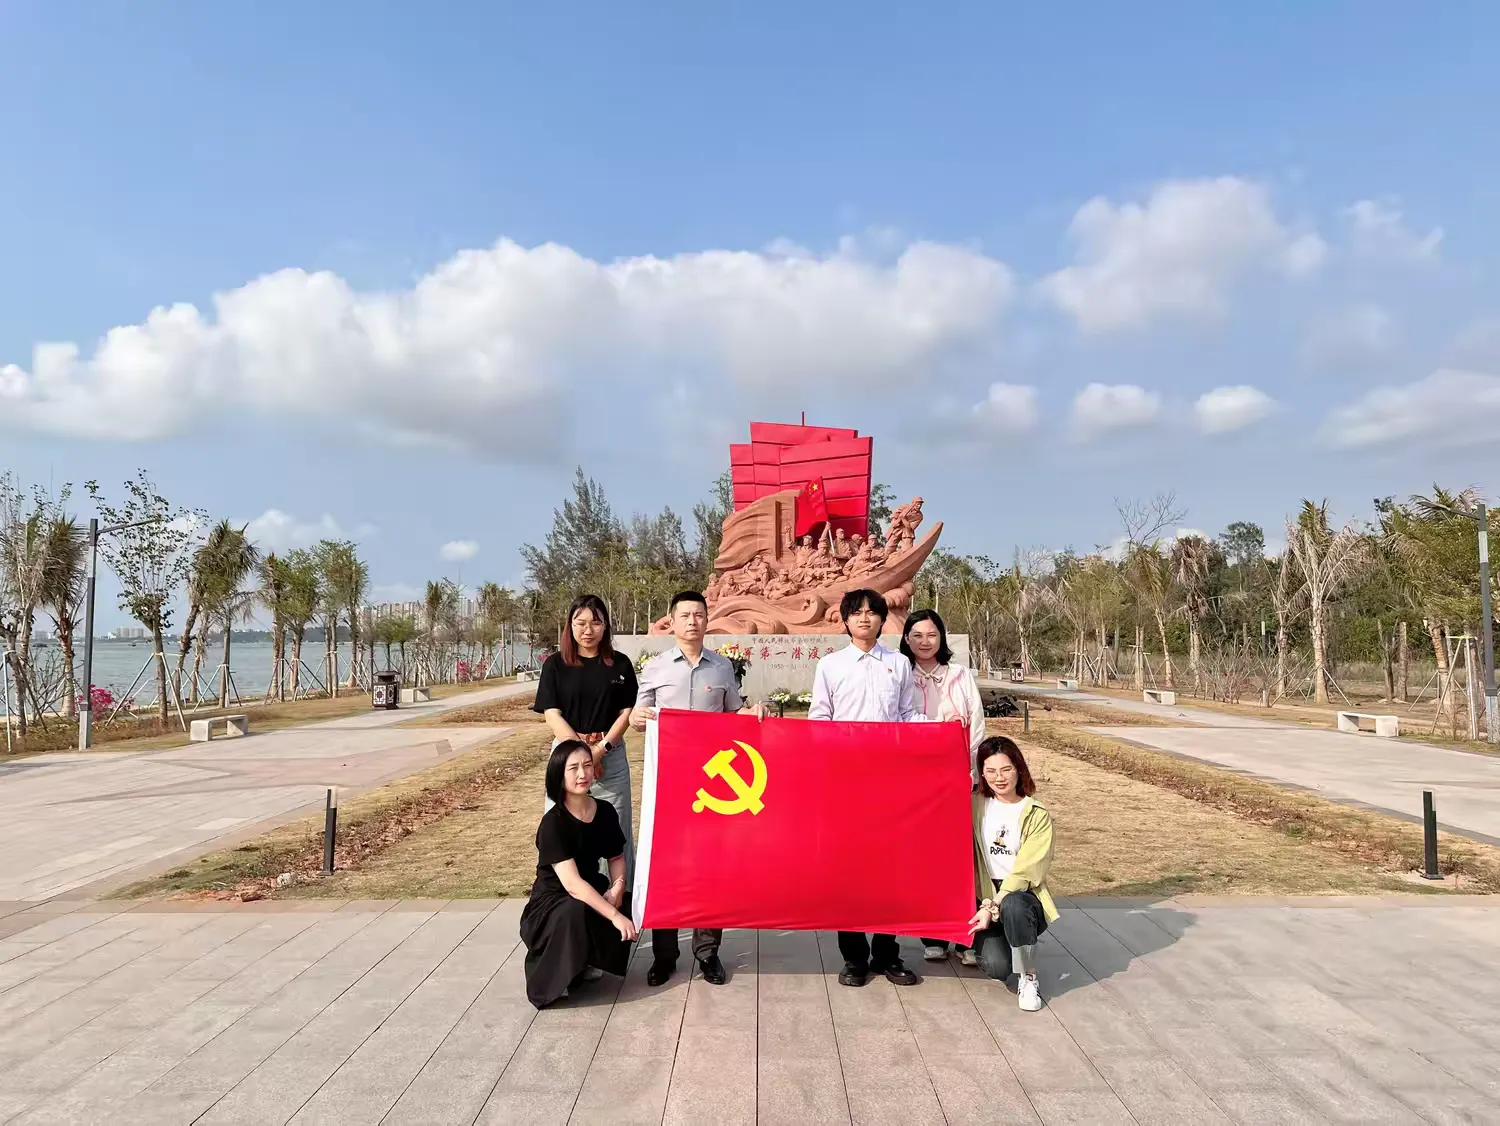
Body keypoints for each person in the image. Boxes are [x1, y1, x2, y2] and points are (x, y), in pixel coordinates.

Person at [630, 590, 763, 987]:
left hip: (712, 785)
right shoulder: (655, 668)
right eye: (685, 615)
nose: (692, 621)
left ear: (707, 620)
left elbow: (734, 713)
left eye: (699, 615)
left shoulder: (722, 667)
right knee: (667, 865)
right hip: (669, 782)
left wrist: (754, 713)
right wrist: (637, 718)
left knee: (710, 866)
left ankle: (708, 953)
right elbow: (639, 715)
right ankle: (664, 955)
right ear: (671, 621)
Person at [809, 588, 924, 987]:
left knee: (890, 867)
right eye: (856, 612)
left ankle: (887, 953)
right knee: (849, 868)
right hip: (845, 782)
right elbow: (819, 719)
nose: (864, 618)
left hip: (890, 780)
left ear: (882, 619)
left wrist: (941, 727)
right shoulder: (831, 666)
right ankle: (854, 957)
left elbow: (906, 714)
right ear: (845, 620)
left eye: (872, 612)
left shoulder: (899, 664)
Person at [519, 740, 640, 1008]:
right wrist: (614, 916)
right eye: (573, 768)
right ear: (559, 775)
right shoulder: (553, 823)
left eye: (587, 765)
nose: (582, 774)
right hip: (553, 901)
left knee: (628, 901)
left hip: (590, 888)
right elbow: (572, 884)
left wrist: (618, 887)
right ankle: (555, 975)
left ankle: (588, 958)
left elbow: (616, 857)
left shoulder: (604, 811)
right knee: (576, 910)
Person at [534, 595, 639, 886]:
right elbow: (551, 713)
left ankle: (618, 898)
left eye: (595, 622)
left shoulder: (620, 664)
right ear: (569, 626)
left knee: (615, 830)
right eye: (580, 623)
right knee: (561, 825)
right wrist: (583, 755)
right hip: (567, 755)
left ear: (606, 626)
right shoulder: (555, 665)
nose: (588, 630)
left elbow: (627, 712)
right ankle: (563, 897)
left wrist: (600, 750)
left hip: (610, 754)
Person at [902, 609, 989, 965]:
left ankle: (967, 936)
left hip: (958, 778)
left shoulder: (959, 675)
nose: (925, 642)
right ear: (906, 639)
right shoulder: (901, 675)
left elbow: (977, 725)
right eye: (917, 635)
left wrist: (968, 769)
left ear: (941, 638)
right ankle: (933, 934)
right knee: (926, 857)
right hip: (916, 781)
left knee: (963, 857)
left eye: (932, 635)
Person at [965, 735, 1058, 1012]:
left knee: (1014, 905)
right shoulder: (975, 804)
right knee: (997, 967)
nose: (999, 777)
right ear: (982, 773)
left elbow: (1028, 871)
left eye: (1006, 769)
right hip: (984, 893)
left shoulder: (1036, 813)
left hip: (1021, 896)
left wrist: (992, 906)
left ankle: (1029, 977)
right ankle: (1008, 941)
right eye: (991, 771)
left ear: (1018, 769)